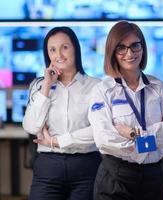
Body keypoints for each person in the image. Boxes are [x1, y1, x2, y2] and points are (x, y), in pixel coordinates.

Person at [88, 21, 163, 200]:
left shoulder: (160, 89)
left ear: (143, 48)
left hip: (153, 177)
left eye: (135, 46)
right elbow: (104, 139)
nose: (129, 53)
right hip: (116, 177)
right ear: (112, 52)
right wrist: (153, 137)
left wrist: (131, 134)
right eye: (121, 48)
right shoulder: (102, 91)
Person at [23, 26, 101, 200]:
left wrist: (56, 141)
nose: (59, 55)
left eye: (64, 47)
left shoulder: (97, 86)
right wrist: (46, 87)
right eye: (52, 50)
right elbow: (31, 126)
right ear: (47, 55)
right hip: (48, 166)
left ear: (75, 49)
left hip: (86, 165)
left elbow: (98, 130)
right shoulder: (38, 86)